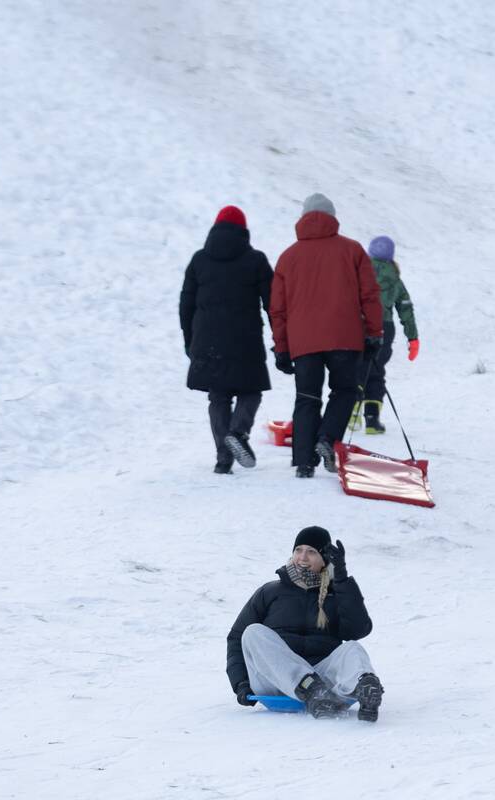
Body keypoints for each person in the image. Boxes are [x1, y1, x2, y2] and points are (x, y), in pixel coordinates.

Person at [269, 194, 383, 478]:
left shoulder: (288, 257)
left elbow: (278, 309)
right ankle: (326, 438)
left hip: (303, 342)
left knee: (307, 397)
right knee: (344, 391)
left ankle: (305, 463)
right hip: (345, 337)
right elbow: (369, 295)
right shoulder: (353, 250)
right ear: (332, 217)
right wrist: (374, 332)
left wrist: (281, 348)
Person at [225, 525, 384, 721]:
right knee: (252, 633)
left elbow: (358, 630)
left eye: (312, 552)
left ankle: (365, 687)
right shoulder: (270, 592)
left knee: (352, 648)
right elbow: (236, 637)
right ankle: (309, 687)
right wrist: (240, 682)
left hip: (323, 681)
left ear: (325, 559)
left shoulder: (336, 594)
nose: (303, 557)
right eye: (298, 550)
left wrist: (341, 580)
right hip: (275, 678)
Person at [179, 206, 274, 474]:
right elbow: (273, 303)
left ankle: (223, 459)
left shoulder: (199, 260)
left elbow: (186, 305)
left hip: (206, 339)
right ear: (243, 231)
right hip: (245, 339)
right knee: (250, 390)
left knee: (218, 396)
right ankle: (239, 433)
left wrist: (190, 340)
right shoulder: (255, 260)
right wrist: (282, 338)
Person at [351, 235, 419, 434]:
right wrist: (412, 338)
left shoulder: (358, 273)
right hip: (385, 327)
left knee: (357, 367)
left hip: (359, 325)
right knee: (376, 370)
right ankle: (372, 420)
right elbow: (406, 308)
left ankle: (352, 414)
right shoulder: (395, 279)